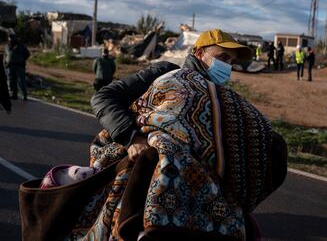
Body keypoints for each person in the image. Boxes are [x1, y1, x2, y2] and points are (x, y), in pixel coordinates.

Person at [22, 29, 287, 241]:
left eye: (231, 61)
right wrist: (132, 138)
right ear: (199, 53)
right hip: (143, 158)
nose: (226, 66)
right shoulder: (165, 72)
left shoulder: (220, 96)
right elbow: (104, 98)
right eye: (222, 57)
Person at [4, 34, 30, 100]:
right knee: (11, 81)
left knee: (21, 81)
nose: (10, 41)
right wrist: (5, 62)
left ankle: (24, 95)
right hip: (10, 66)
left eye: (12, 39)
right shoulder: (7, 46)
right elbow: (6, 55)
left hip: (19, 66)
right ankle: (13, 94)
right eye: (9, 40)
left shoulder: (21, 46)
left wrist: (21, 60)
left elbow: (27, 54)